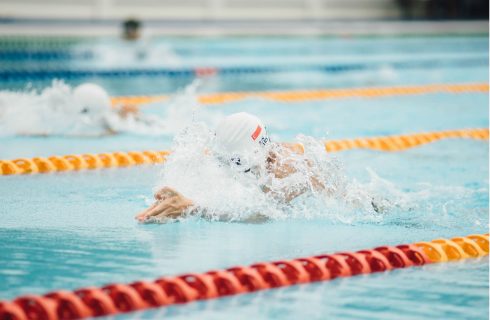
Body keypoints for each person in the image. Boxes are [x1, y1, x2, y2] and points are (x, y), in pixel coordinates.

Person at [136, 112, 327, 223]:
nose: (232, 168)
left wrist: (193, 208)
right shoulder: (257, 156)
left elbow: (258, 214)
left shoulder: (288, 167)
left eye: (237, 163)